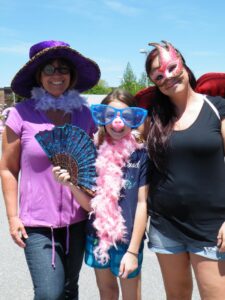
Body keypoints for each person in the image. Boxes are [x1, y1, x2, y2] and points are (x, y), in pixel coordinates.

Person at [0, 40, 100, 300]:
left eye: (63, 68)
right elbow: (8, 170)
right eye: (49, 69)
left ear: (72, 75)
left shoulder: (84, 115)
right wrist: (12, 218)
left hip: (77, 221)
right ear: (38, 76)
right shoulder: (20, 114)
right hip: (36, 224)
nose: (57, 75)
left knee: (69, 289)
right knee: (48, 293)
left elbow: (98, 160)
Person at [141, 40, 225, 300]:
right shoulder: (153, 116)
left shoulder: (217, 107)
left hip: (212, 227)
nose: (166, 76)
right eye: (157, 75)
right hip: (166, 226)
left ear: (184, 66)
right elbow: (124, 146)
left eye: (171, 67)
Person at [53, 89, 150, 300]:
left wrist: (133, 250)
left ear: (133, 119)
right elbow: (91, 206)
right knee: (106, 292)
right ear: (102, 118)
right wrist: (70, 184)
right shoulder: (93, 153)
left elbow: (143, 203)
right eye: (111, 116)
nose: (118, 122)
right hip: (98, 237)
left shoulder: (141, 155)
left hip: (128, 239)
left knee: (131, 295)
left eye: (125, 116)